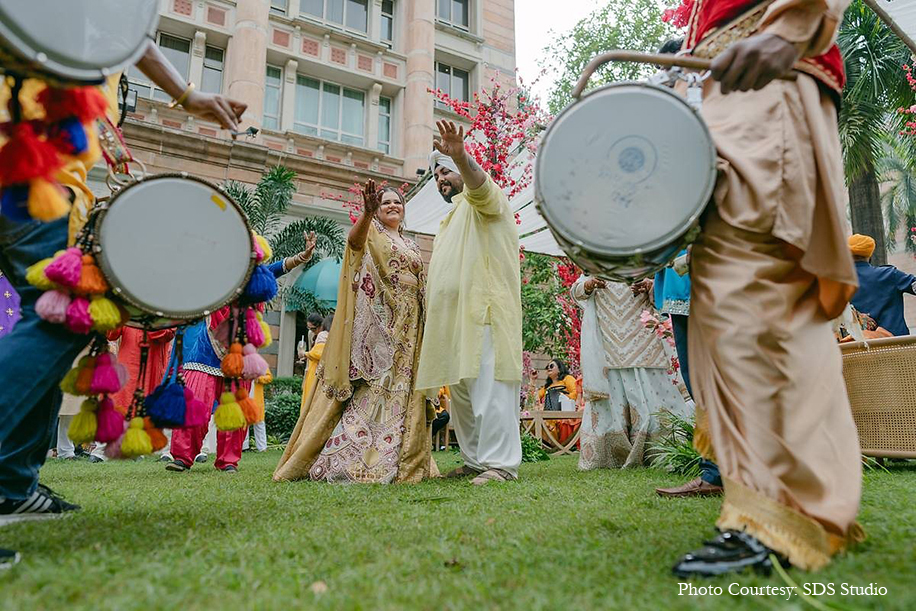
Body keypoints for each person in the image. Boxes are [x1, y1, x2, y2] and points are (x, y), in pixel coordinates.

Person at [0, 39, 246, 554]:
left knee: (61, 320)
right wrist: (188, 96)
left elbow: (131, 35)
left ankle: (13, 485)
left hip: (41, 174)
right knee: (60, 322)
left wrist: (189, 96)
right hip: (26, 167)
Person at [670, 0, 864, 576]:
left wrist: (792, 28)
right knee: (747, 300)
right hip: (730, 93)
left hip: (767, 78)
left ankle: (777, 516)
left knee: (754, 293)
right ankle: (791, 505)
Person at [274, 181, 435, 484]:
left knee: (404, 387)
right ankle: (354, 459)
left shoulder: (411, 244)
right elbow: (354, 243)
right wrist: (367, 213)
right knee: (376, 384)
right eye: (386, 203)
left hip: (410, 327)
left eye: (397, 202)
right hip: (381, 324)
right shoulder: (372, 232)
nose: (392, 206)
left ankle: (403, 458)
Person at [414, 121, 523, 486]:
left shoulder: (488, 200)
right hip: (453, 322)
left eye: (446, 171)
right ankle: (476, 461)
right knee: (462, 394)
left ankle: (501, 464)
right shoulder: (450, 219)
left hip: (485, 314)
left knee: (490, 389)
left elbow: (479, 186)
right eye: (436, 175)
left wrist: (460, 156)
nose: (441, 179)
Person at [167, 233, 317, 473]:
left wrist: (302, 256)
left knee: (236, 408)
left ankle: (228, 460)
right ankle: (182, 457)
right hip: (206, 351)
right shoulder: (214, 276)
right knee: (195, 402)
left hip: (240, 354)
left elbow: (278, 268)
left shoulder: (256, 278)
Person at [572, 275, 692, 469]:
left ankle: (663, 451)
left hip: (643, 334)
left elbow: (663, 287)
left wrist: (649, 285)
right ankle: (613, 454)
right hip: (608, 334)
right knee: (613, 389)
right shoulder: (600, 261)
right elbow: (576, 290)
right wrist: (589, 284)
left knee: (651, 386)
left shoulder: (644, 258)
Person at [649, 255, 724, 498]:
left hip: (705, 281)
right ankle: (716, 472)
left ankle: (717, 473)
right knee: (699, 383)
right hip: (680, 285)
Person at [848, 234, 915, 336]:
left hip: (853, 344)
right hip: (895, 343)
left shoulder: (838, 283)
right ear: (869, 255)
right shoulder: (890, 275)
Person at [299, 313, 331, 413]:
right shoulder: (312, 334)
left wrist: (305, 354)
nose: (312, 331)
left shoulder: (323, 335)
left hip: (318, 372)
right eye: (309, 328)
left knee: (312, 403)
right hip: (313, 370)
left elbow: (319, 354)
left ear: (321, 325)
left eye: (313, 329)